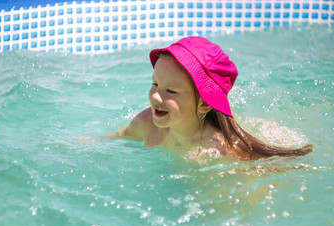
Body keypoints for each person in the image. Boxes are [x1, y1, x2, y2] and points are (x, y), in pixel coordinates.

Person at [114, 36, 313, 160]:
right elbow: (112, 141)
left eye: (171, 91)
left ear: (203, 104)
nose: (156, 96)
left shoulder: (221, 151)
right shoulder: (146, 124)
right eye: (154, 84)